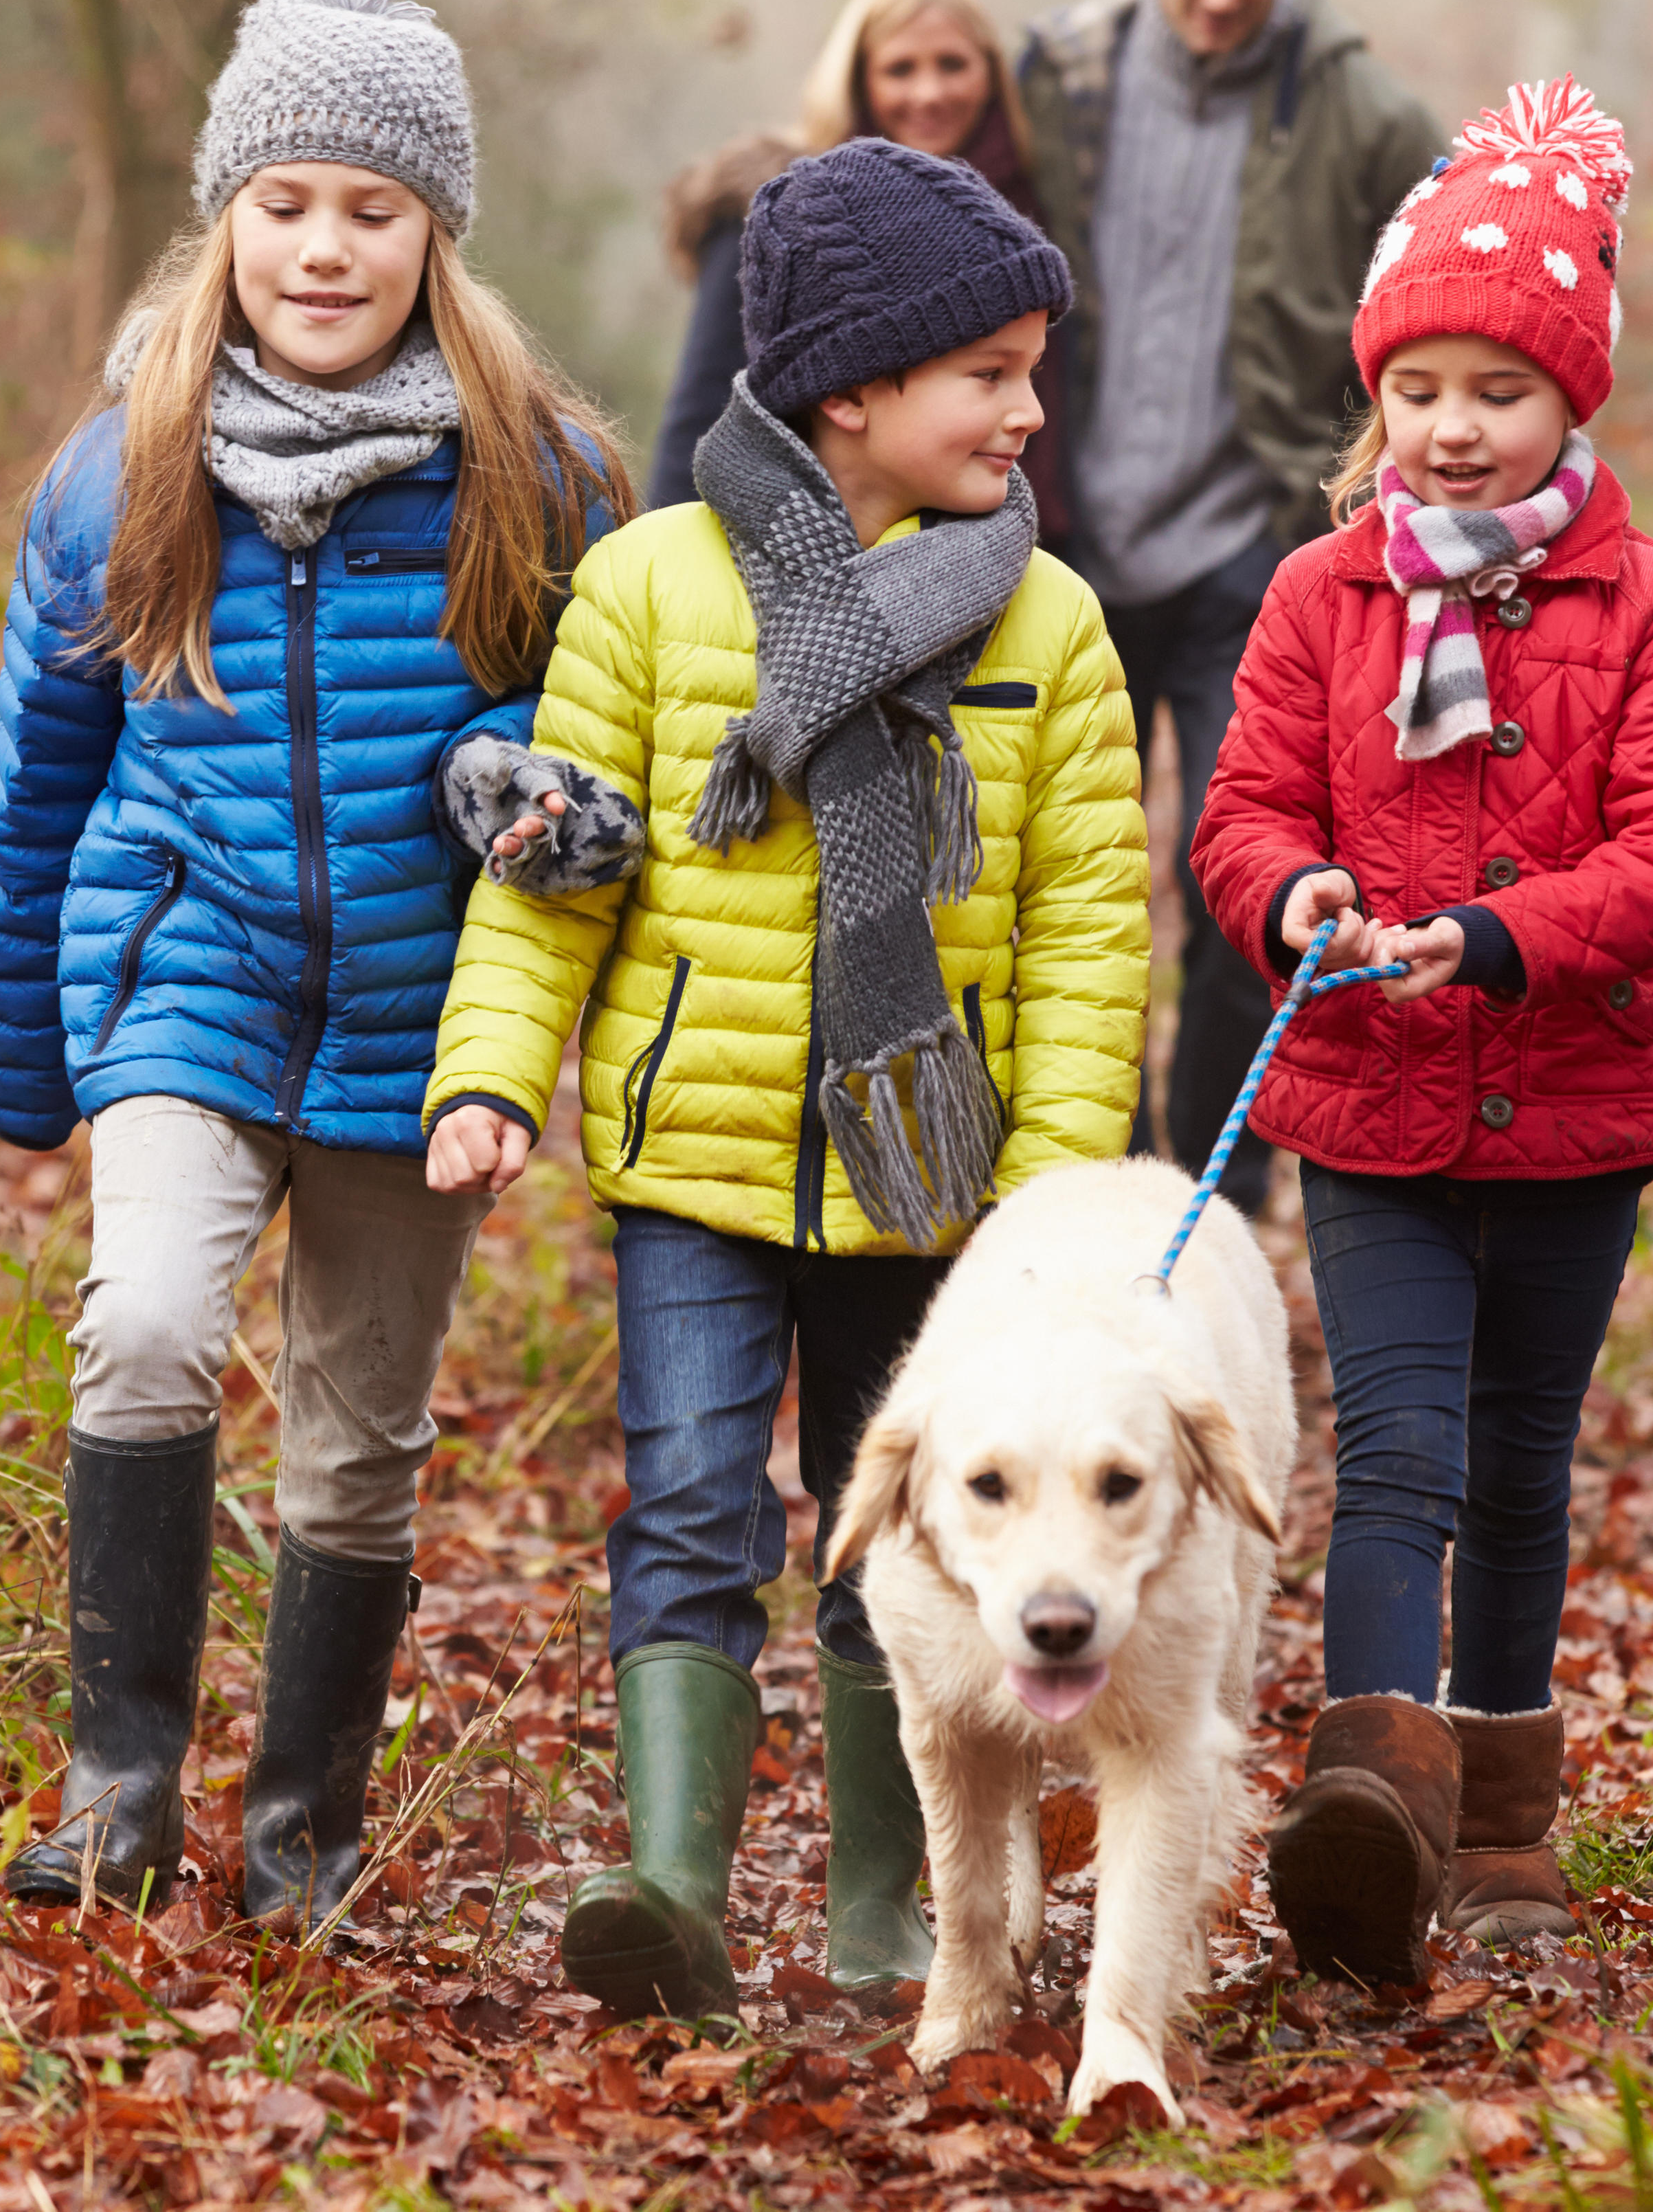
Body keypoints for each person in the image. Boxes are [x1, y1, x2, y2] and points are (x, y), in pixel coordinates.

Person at [420, 139, 1148, 2015]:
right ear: (854, 387)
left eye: (1029, 368)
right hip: (697, 1160)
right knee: (683, 1509)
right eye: (985, 370)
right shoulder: (652, 592)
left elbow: (1084, 941)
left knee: (892, 1523)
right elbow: (552, 872)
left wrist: (1060, 1205)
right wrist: (489, 1076)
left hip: (937, 1185)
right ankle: (671, 1887)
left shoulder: (1046, 622)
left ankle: (886, 1908)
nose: (1027, 406)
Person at [0, 0, 635, 1924]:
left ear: (437, 233)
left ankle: (302, 1834)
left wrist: (545, 808)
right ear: (225, 213)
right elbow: (40, 786)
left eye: (372, 208)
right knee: (154, 1319)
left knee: (356, 1442)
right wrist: (19, 1055)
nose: (323, 249)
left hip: (423, 1018)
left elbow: (615, 764)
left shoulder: (546, 476)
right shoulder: (119, 470)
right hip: (186, 974)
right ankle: (116, 1788)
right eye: (285, 203)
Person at [1189, 80, 1653, 1984]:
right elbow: (1244, 812)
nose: (1450, 428)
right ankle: (1371, 1808)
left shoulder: (1651, 608)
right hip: (1371, 1107)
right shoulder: (1317, 600)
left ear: (1568, 403)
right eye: (1417, 388)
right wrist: (1295, 901)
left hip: (1580, 1106)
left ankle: (1507, 1826)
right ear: (1377, 401)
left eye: (1494, 392)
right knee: (1399, 1454)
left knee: (1519, 1465)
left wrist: (1502, 939)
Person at [1017, 0, 1443, 1216]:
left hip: (1249, 550)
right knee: (1062, 880)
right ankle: (1087, 1168)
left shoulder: (1368, 117)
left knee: (1237, 879)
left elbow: (1428, 316)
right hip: (1063, 538)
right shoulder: (1060, 80)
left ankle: (1204, 1179)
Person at [649, 0, 1064, 530]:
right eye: (900, 69)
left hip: (1020, 530)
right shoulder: (782, 218)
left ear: (991, 74)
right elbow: (703, 409)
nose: (929, 92)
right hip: (807, 537)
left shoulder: (1037, 211)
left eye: (952, 64)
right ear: (857, 76)